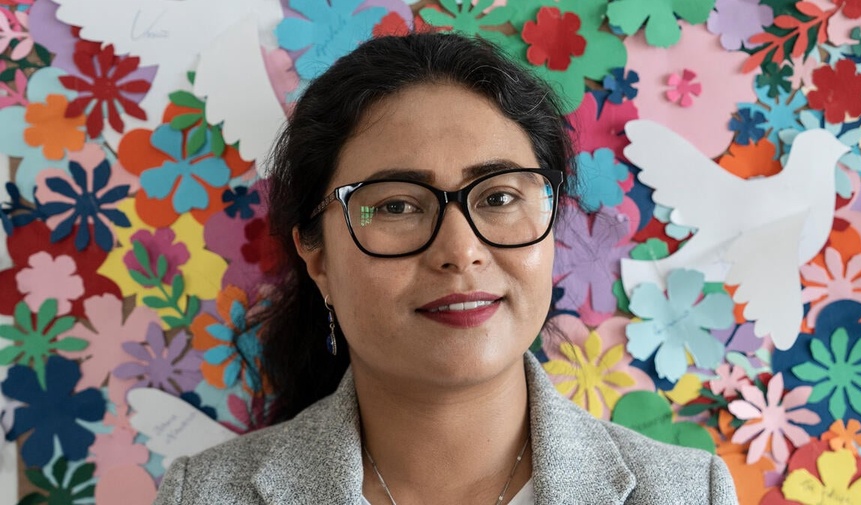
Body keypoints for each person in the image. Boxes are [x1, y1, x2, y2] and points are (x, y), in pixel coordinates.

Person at [153, 32, 739, 505]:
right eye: (397, 206)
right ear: (316, 253)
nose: (461, 251)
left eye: (500, 198)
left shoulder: (688, 493)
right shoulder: (204, 495)